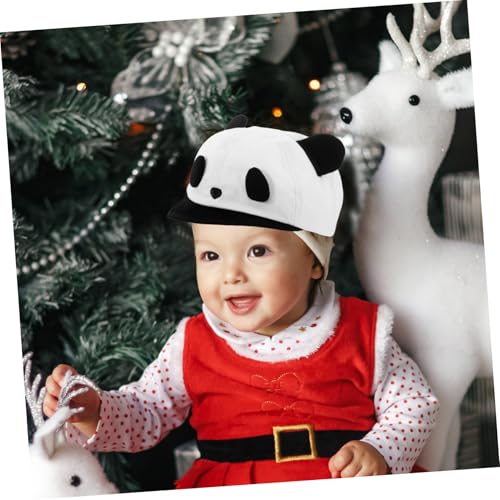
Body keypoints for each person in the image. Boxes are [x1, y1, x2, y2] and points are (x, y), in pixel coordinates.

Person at [43, 116, 439, 487]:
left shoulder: (362, 332)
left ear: (315, 261)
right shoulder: (191, 343)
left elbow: (414, 404)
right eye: (210, 255)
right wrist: (96, 410)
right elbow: (146, 411)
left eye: (258, 251)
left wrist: (380, 450)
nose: (231, 274)